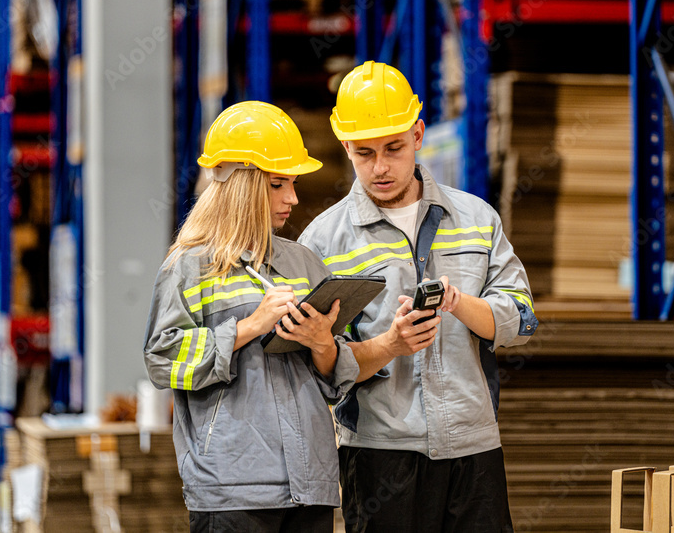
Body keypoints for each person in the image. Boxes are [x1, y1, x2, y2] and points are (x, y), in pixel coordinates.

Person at [299, 61, 538, 532]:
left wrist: (457, 303)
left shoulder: (476, 218)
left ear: (418, 134)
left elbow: (522, 321)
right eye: (364, 153)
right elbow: (322, 366)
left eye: (393, 148)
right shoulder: (324, 242)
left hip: (474, 449)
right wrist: (392, 343)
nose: (381, 167)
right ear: (345, 147)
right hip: (379, 455)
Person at [143, 101, 358, 533]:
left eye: (293, 183)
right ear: (243, 186)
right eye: (279, 184)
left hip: (310, 484)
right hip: (232, 486)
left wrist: (323, 344)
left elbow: (340, 375)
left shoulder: (305, 264)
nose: (293, 198)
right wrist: (247, 328)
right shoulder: (190, 267)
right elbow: (162, 359)